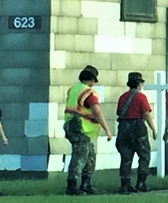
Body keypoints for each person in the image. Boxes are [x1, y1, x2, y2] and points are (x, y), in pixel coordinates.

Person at [63, 67, 113, 195]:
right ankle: (72, 186)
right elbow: (96, 111)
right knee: (80, 156)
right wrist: (107, 129)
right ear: (91, 80)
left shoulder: (73, 89)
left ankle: (86, 184)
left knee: (89, 156)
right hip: (82, 128)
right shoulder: (89, 93)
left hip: (71, 125)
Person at [115, 72, 156, 194]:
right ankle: (141, 183)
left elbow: (119, 112)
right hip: (137, 128)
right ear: (139, 84)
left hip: (123, 128)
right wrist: (153, 129)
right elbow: (146, 114)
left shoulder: (122, 97)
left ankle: (125, 185)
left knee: (126, 157)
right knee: (144, 155)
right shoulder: (141, 97)